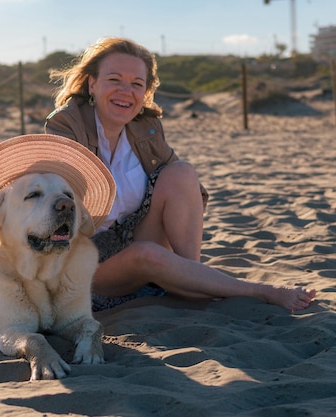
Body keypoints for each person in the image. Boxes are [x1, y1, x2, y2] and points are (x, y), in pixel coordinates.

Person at [45, 37, 316, 312]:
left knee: (182, 172)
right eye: (114, 80)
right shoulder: (67, 124)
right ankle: (260, 292)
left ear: (145, 91)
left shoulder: (145, 128)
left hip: (130, 239)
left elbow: (186, 192)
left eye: (137, 84)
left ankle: (191, 279)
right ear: (93, 83)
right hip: (82, 263)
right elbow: (55, 208)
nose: (126, 91)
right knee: (145, 254)